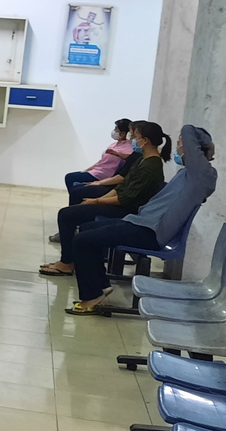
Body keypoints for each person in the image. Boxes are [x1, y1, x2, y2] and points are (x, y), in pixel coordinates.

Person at [64, 125, 217, 315]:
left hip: (150, 232)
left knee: (82, 241)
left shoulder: (203, 175)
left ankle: (91, 296)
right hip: (141, 223)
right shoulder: (187, 173)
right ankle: (100, 286)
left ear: (192, 149)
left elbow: (188, 131)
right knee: (87, 229)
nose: (178, 147)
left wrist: (203, 143)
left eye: (180, 143)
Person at [40, 121, 169, 277]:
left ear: (145, 140)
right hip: (123, 204)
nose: (132, 140)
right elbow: (121, 187)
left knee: (66, 215)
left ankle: (67, 263)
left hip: (128, 210)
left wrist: (96, 201)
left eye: (135, 136)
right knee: (75, 212)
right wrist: (99, 199)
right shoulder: (143, 160)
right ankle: (70, 261)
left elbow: (124, 198)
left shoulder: (151, 166)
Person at [64, 119, 134, 193]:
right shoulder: (114, 145)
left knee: (70, 178)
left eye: (116, 129)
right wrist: (89, 169)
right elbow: (102, 161)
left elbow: (131, 158)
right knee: (73, 180)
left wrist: (117, 154)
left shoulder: (129, 147)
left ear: (123, 133)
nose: (114, 131)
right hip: (97, 171)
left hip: (104, 174)